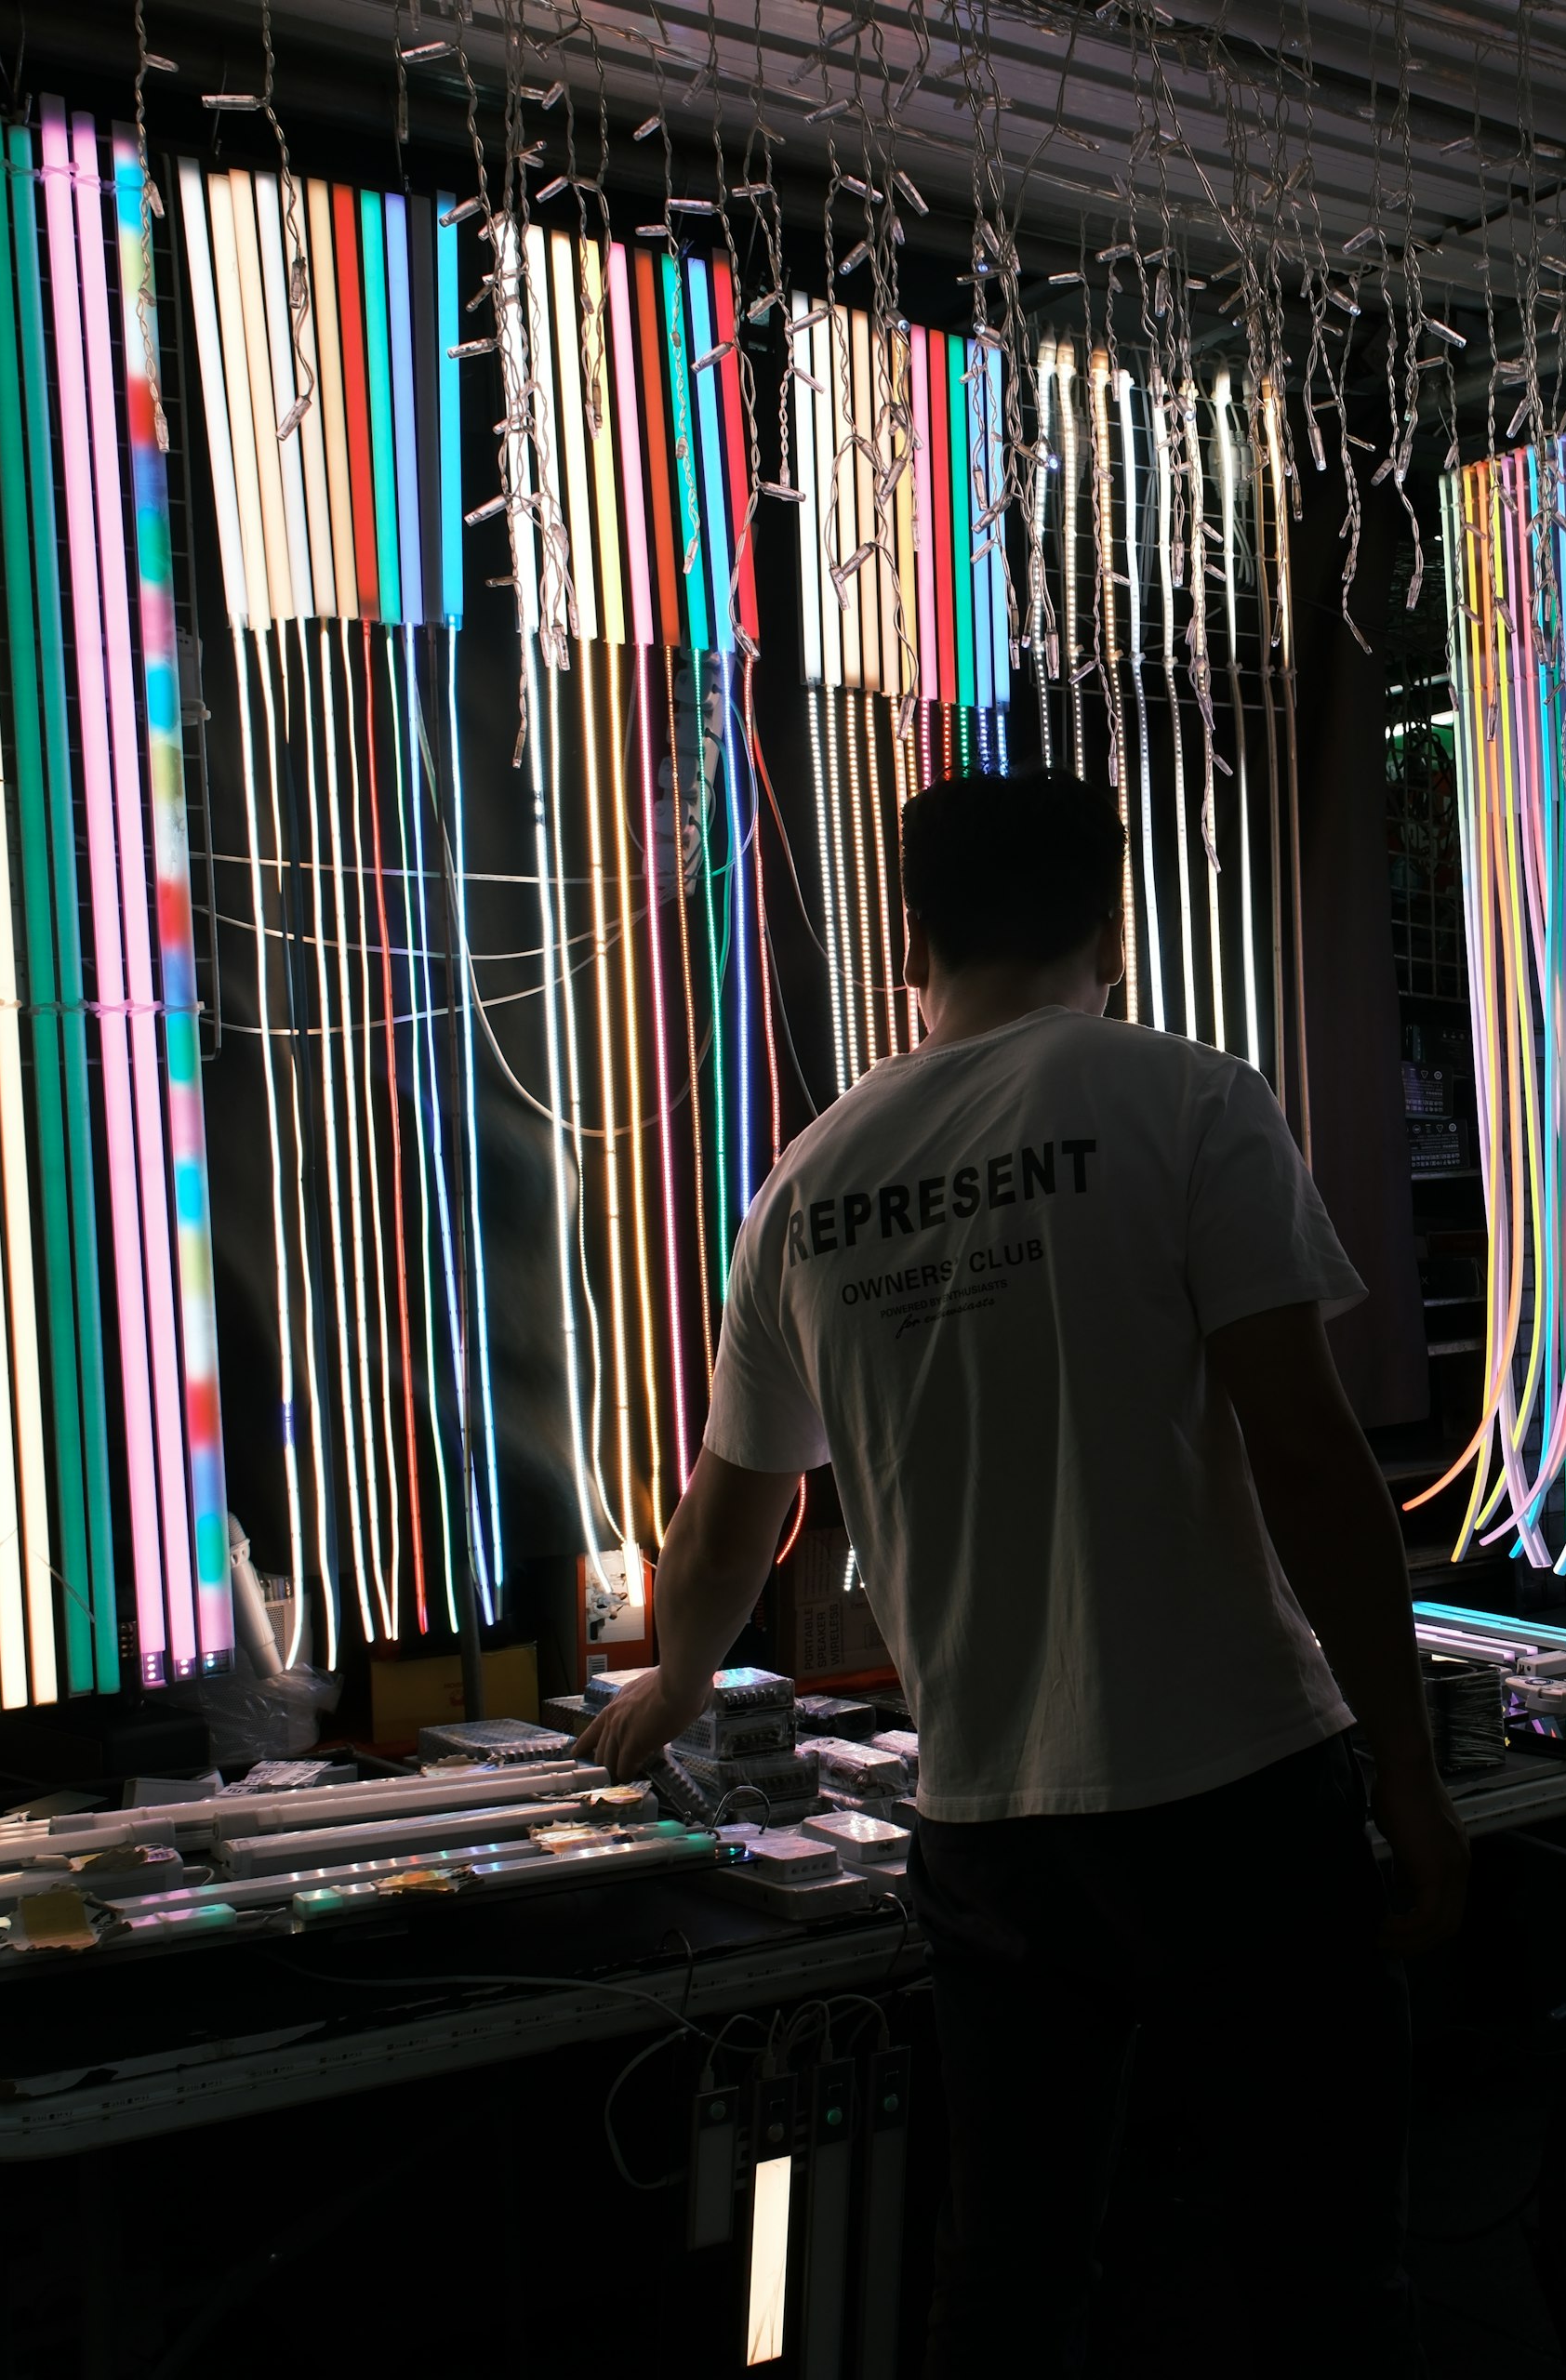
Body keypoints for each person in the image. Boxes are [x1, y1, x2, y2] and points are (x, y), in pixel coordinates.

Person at [579, 768, 1467, 2376]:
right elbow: (1312, 1459)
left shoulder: (808, 1190)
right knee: (1316, 2271)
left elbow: (729, 1523)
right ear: (1110, 923)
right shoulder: (1188, 1103)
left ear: (906, 935)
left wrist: (682, 1682)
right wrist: (1405, 1767)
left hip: (990, 1821)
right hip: (1239, 1790)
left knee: (1008, 2286)